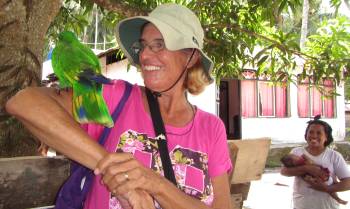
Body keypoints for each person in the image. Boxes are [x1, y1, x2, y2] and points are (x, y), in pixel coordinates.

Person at [5, 3, 232, 209]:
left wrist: (154, 184)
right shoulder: (116, 97)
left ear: (191, 57)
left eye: (159, 45)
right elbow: (23, 102)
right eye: (143, 46)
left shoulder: (211, 128)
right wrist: (117, 172)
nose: (144, 55)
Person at [280, 116, 350, 209]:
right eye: (311, 132)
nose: (314, 136)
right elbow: (284, 171)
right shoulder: (296, 152)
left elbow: (347, 183)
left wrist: (327, 188)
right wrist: (307, 168)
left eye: (319, 133)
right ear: (306, 135)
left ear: (326, 137)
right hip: (301, 206)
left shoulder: (334, 156)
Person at [281, 153, 347, 205]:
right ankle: (337, 199)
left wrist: (308, 162)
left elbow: (310, 161)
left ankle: (334, 185)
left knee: (331, 180)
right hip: (303, 204)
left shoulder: (334, 155)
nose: (298, 158)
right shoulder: (296, 156)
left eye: (296, 157)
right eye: (294, 159)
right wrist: (307, 171)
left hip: (325, 174)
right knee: (328, 189)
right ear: (293, 164)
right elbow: (283, 171)